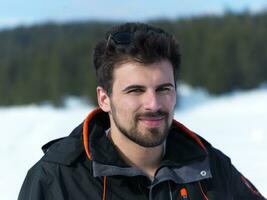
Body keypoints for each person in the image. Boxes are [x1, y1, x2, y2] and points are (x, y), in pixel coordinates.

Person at [18, 22, 265, 200]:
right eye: (135, 90)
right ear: (104, 99)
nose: (154, 104)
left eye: (163, 89)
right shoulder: (56, 178)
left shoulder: (208, 165)